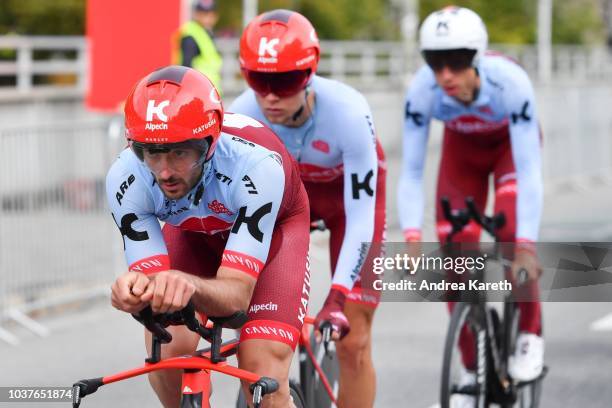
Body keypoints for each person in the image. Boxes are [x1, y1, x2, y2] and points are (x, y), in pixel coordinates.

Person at [107, 65, 310, 408]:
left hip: (276, 234)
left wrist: (190, 286)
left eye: (180, 153)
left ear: (210, 141)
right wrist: (137, 293)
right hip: (192, 236)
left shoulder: (256, 167)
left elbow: (236, 297)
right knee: (167, 364)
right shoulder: (126, 176)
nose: (165, 171)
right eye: (151, 153)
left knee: (263, 378)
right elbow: (156, 287)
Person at [230, 9, 386, 408]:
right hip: (288, 207)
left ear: (310, 72)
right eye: (257, 79)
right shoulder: (241, 114)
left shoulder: (348, 112)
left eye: (283, 81)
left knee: (353, 338)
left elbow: (362, 214)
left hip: (348, 208)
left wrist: (338, 295)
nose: (269, 95)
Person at [397, 5, 544, 402]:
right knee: (454, 262)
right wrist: (412, 234)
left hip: (509, 152)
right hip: (463, 155)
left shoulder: (510, 82)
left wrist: (527, 246)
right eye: (435, 62)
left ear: (476, 59)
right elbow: (410, 171)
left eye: (457, 62)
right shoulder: (422, 90)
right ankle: (469, 368)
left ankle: (529, 333)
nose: (446, 74)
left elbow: (530, 171)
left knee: (512, 234)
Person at [173, 0, 223, 93]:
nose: (207, 17)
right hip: (197, 92)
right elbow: (185, 67)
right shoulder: (190, 35)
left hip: (207, 91)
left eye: (210, 13)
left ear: (216, 16)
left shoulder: (205, 33)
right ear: (196, 14)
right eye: (203, 13)